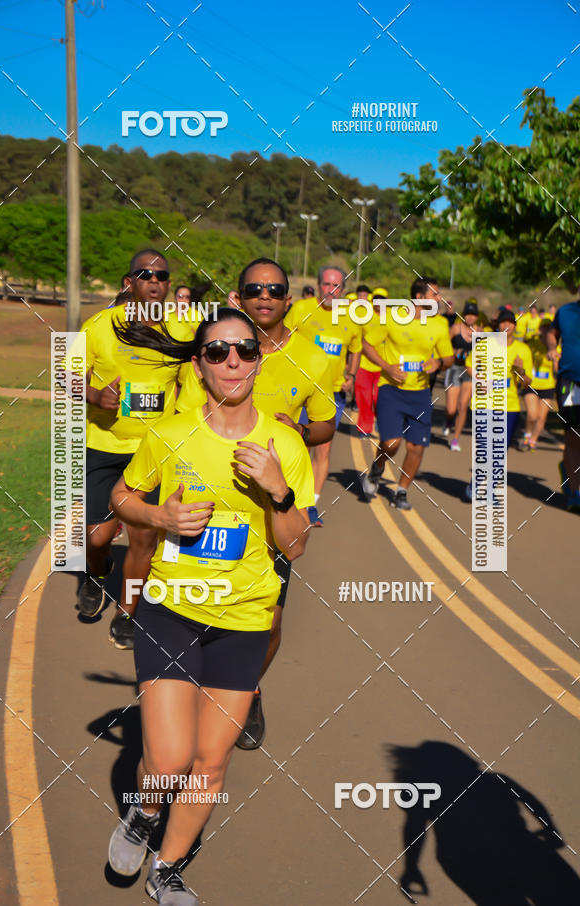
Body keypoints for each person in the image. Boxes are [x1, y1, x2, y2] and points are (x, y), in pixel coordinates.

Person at [106, 308, 314, 903]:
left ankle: (166, 870)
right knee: (168, 760)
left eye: (244, 350)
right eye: (218, 352)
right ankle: (144, 814)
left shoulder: (284, 443)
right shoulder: (169, 434)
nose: (232, 362)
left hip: (244, 619)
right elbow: (123, 497)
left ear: (258, 359)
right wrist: (160, 516)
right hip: (172, 609)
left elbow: (295, 545)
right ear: (199, 367)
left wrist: (279, 489)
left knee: (211, 761)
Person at [173, 257, 335, 748]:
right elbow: (182, 422)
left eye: (275, 289)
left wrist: (299, 430)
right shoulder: (211, 347)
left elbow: (326, 425)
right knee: (190, 609)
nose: (264, 296)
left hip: (271, 502)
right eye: (253, 288)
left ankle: (247, 688)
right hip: (204, 496)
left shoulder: (316, 356)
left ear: (289, 299)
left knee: (268, 621)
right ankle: (186, 697)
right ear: (238, 297)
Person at [71, 250, 190, 651]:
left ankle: (127, 611)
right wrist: (92, 395)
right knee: (96, 536)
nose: (155, 281)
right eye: (145, 274)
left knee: (143, 543)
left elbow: (191, 393)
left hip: (153, 454)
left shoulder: (181, 330)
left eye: (162, 276)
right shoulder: (100, 325)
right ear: (129, 283)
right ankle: (95, 574)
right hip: (103, 446)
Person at [360, 277, 454, 509]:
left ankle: (401, 491)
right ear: (419, 298)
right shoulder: (392, 317)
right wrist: (387, 367)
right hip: (391, 389)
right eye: (435, 294)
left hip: (420, 393)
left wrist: (438, 363)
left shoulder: (440, 324)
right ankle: (378, 468)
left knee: (416, 448)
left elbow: (449, 358)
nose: (439, 298)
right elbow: (367, 344)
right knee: (391, 443)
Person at [285, 265, 362, 525]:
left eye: (337, 286)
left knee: (323, 449)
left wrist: (351, 374)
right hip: (299, 390)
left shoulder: (351, 318)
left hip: (332, 393)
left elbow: (356, 348)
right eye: (327, 285)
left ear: (344, 289)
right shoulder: (301, 309)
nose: (331, 290)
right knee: (299, 446)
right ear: (319, 286)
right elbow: (281, 339)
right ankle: (292, 498)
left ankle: (310, 506)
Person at [461, 308, 532, 500]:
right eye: (503, 322)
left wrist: (520, 371)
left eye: (510, 322)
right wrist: (480, 379)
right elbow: (469, 366)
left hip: (509, 407)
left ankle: (491, 489)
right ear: (497, 325)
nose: (506, 325)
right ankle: (475, 484)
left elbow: (527, 383)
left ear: (515, 326)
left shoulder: (523, 350)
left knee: (500, 450)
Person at [547, 297, 580, 511]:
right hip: (570, 382)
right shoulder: (566, 311)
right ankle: (576, 493)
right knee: (573, 435)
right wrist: (552, 348)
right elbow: (552, 333)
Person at [443, 300, 479, 450]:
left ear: (477, 317)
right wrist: (454, 352)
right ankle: (449, 421)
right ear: (463, 315)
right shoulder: (456, 329)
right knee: (451, 409)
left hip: (470, 371)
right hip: (454, 369)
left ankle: (455, 440)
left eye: (473, 315)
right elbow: (444, 345)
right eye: (467, 314)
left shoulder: (480, 332)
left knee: (462, 406)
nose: (470, 318)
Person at [520, 319, 557, 451]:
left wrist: (555, 360)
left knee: (541, 417)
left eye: (549, 328)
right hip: (532, 384)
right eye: (544, 328)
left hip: (548, 386)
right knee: (532, 414)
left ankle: (533, 440)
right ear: (540, 329)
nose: (547, 330)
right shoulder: (532, 344)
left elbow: (558, 371)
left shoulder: (556, 347)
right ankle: (527, 435)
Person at [355, 289, 388, 435]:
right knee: (364, 398)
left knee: (379, 398)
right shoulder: (364, 315)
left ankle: (382, 423)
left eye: (382, 299)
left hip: (384, 365)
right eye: (376, 299)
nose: (378, 302)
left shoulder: (392, 317)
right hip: (364, 364)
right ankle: (364, 428)